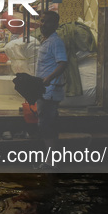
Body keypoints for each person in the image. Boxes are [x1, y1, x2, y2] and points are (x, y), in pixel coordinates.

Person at [35, 10, 68, 144]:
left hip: (50, 92)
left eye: (47, 22)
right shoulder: (46, 41)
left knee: (47, 126)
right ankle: (49, 160)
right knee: (44, 124)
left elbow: (63, 63)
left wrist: (48, 79)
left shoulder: (56, 42)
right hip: (43, 92)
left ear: (55, 25)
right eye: (42, 21)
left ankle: (50, 162)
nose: (43, 24)